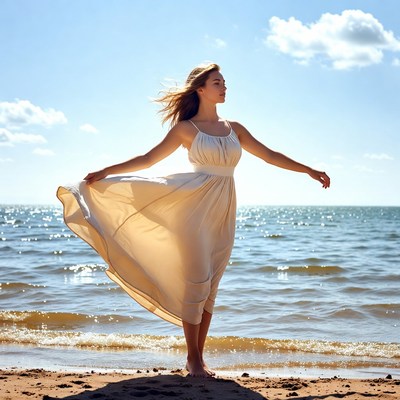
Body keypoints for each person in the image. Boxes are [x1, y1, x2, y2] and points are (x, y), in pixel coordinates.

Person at [57, 63, 330, 378]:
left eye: (225, 82)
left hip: (225, 211)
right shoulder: (187, 129)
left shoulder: (235, 128)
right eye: (218, 82)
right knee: (197, 280)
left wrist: (308, 169)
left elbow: (269, 155)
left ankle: (198, 358)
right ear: (200, 89)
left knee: (211, 285)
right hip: (193, 208)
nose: (224, 87)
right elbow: (148, 159)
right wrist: (108, 171)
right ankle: (194, 360)